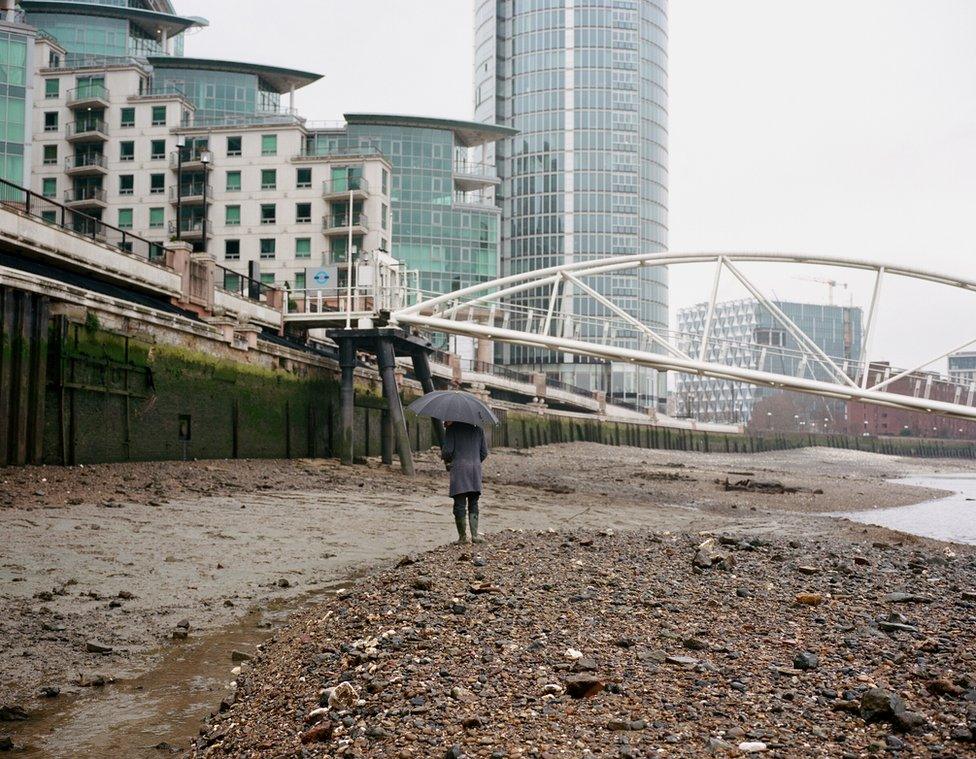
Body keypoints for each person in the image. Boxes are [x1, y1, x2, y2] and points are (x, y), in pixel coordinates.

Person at [440, 420, 489, 544]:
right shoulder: (478, 429)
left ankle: (462, 537)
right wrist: (474, 461)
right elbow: (484, 453)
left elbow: (447, 452)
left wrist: (445, 457)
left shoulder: (452, 429)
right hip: (475, 470)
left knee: (459, 504)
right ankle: (475, 536)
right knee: (473, 502)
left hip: (459, 470)